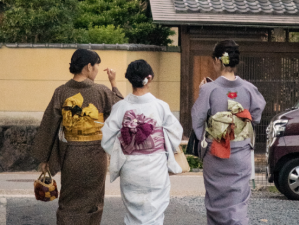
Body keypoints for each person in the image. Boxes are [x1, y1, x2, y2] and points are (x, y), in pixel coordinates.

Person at [31, 49, 123, 225]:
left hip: (71, 154)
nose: (97, 70)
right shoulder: (101, 91)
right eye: (96, 66)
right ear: (88, 66)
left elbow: (49, 125)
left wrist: (45, 158)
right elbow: (121, 110)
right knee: (93, 202)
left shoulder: (61, 92)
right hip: (96, 155)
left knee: (69, 201)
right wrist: (114, 83)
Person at [191, 40, 266, 225]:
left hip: (216, 153)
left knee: (215, 201)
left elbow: (197, 119)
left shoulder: (208, 89)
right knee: (238, 201)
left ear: (217, 61)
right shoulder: (249, 88)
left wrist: (206, 142)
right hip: (240, 153)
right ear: (235, 62)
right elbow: (256, 115)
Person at [101, 59, 183, 225]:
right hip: (155, 166)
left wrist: (126, 143)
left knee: (134, 214)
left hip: (130, 166)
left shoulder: (120, 107)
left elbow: (107, 138)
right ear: (149, 78)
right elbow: (176, 133)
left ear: (129, 79)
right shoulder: (160, 106)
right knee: (155, 213)